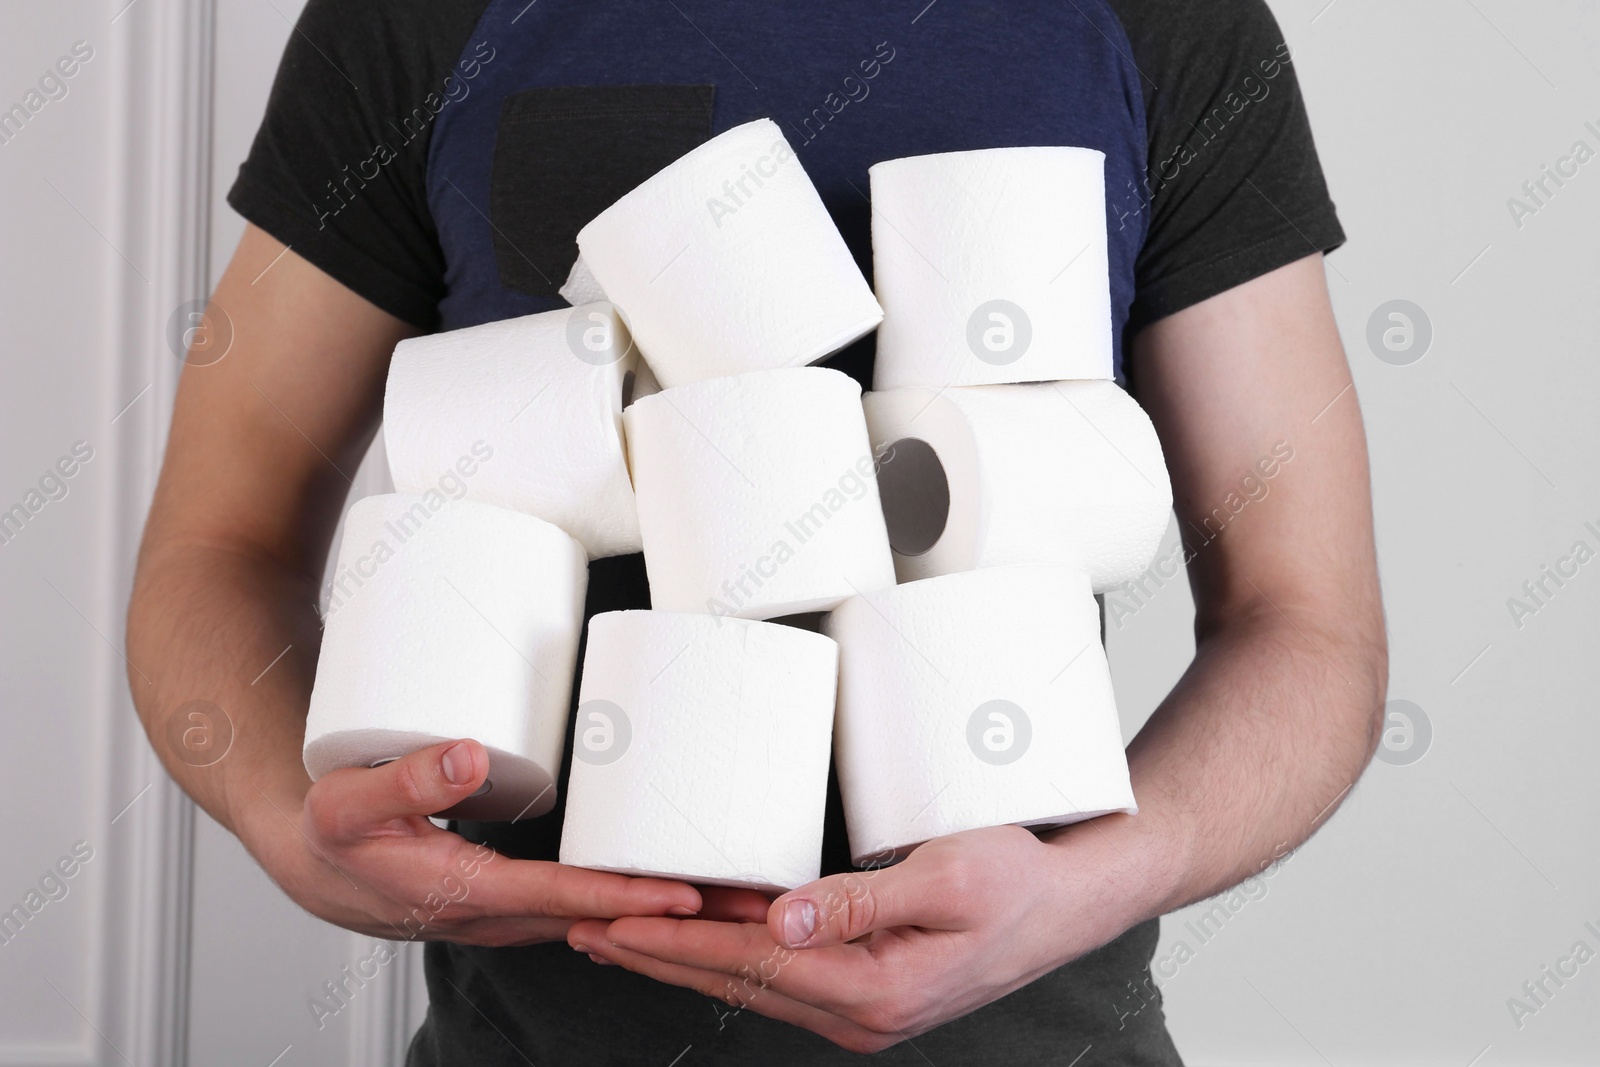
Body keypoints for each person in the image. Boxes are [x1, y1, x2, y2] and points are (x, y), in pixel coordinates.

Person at [127, 0, 1387, 1062]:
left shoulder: (1170, 25)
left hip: (1035, 1032)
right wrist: (280, 814)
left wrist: (1092, 884)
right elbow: (218, 542)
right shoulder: (414, 17)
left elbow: (1306, 621)